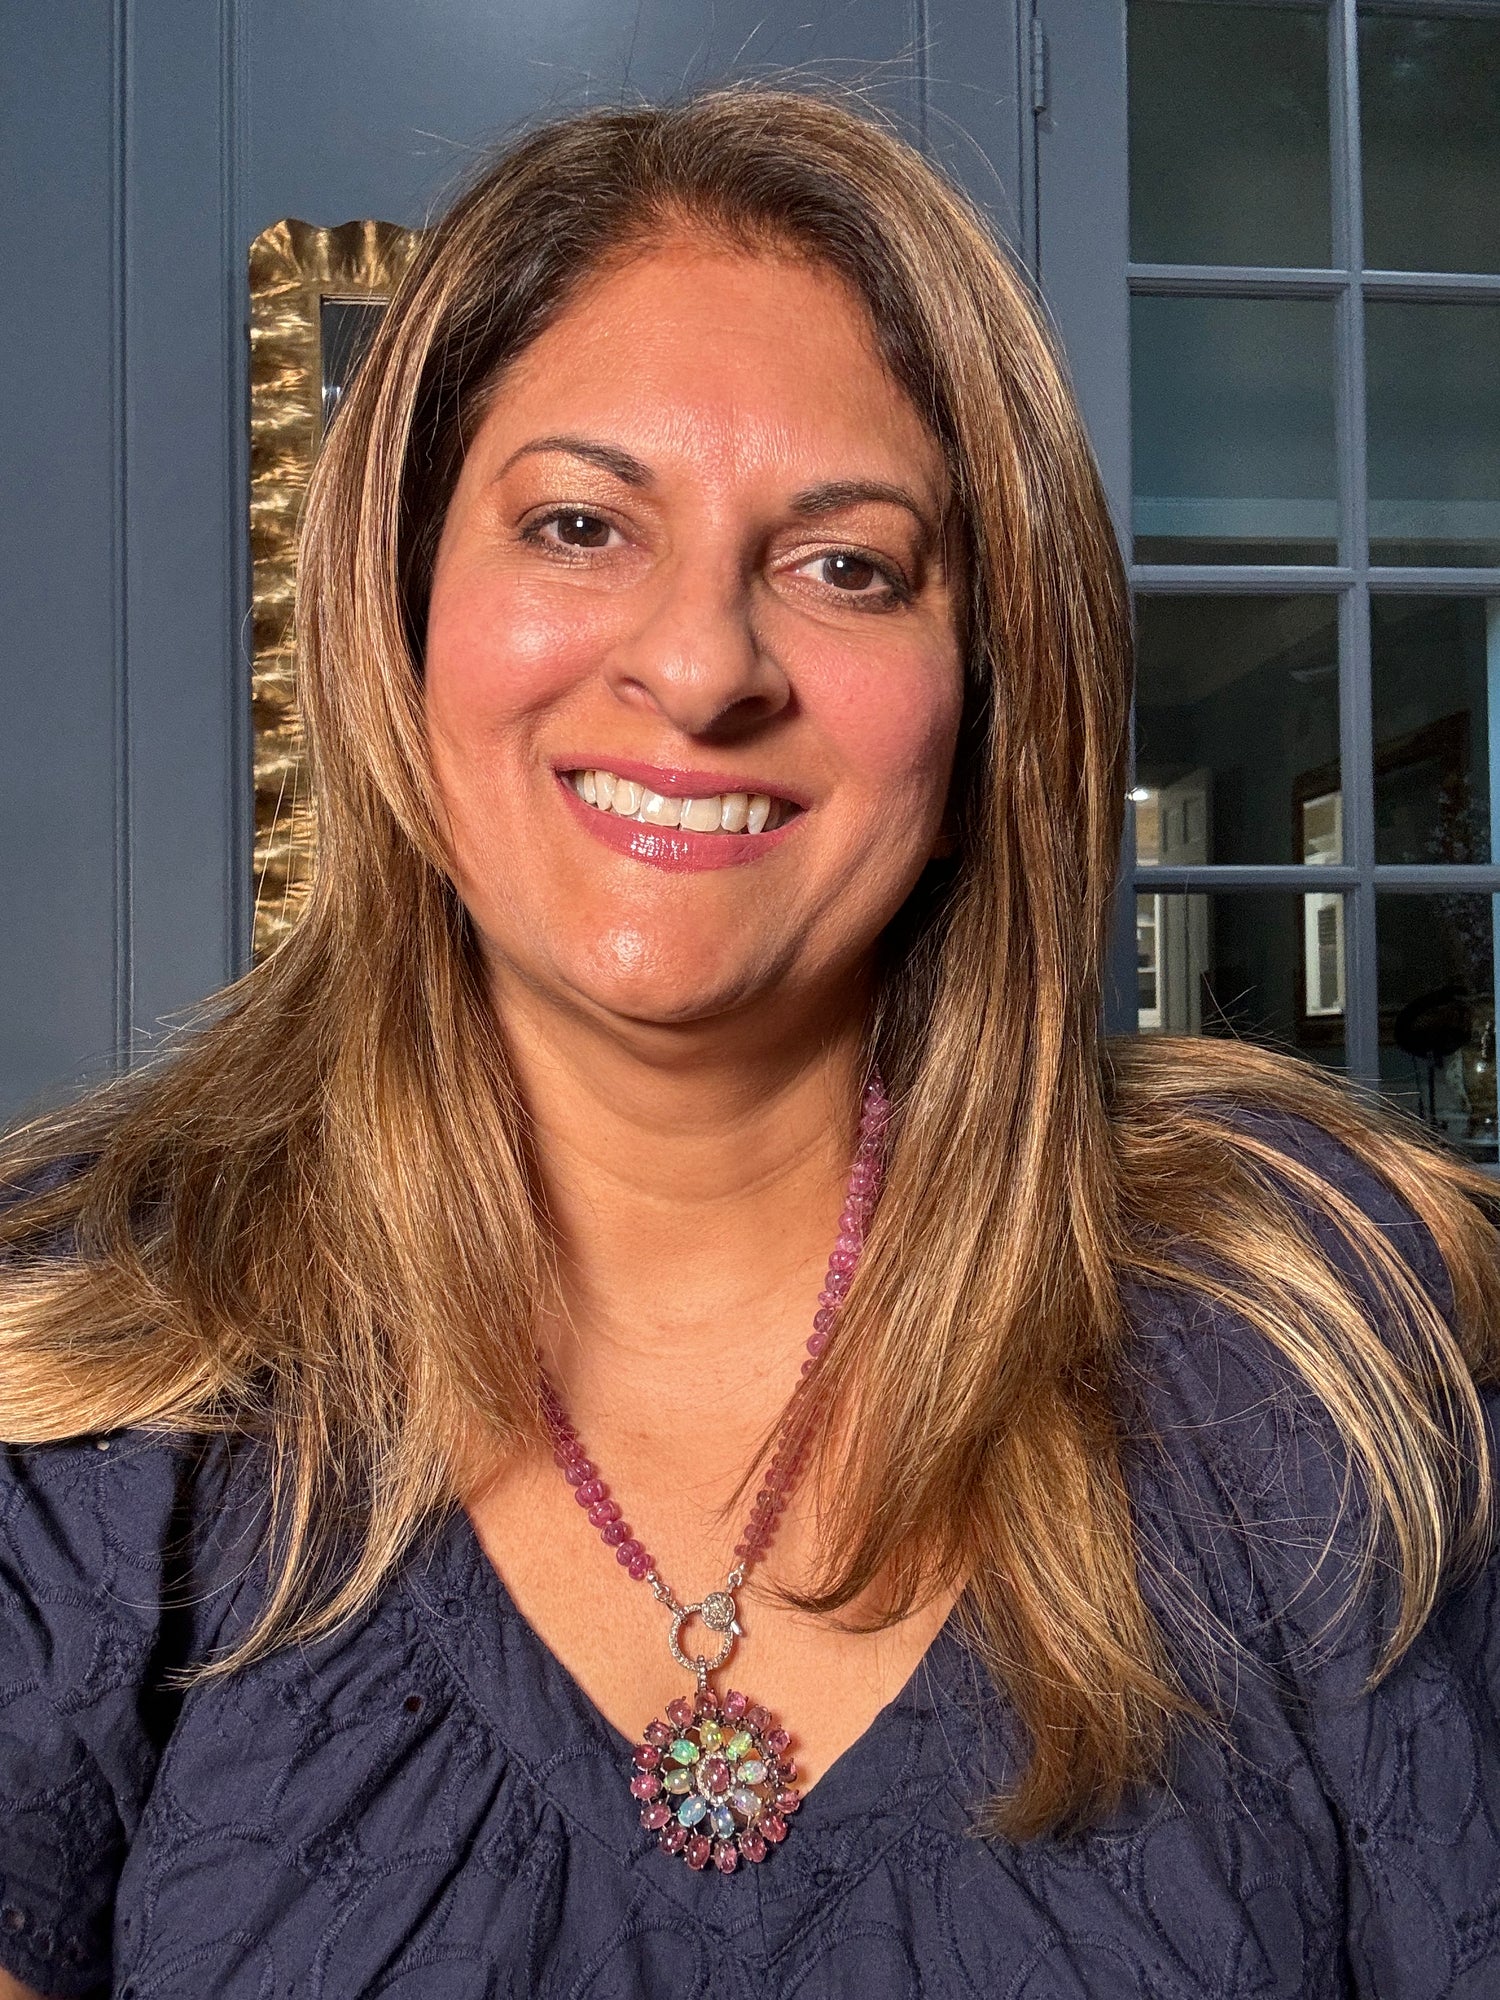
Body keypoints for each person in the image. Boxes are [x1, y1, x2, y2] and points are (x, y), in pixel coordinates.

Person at [1, 85, 1497, 2000]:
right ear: (401, 624)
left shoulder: (1309, 1338)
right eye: (576, 523)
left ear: (983, 717)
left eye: (848, 564)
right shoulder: (84, 1360)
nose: (704, 663)